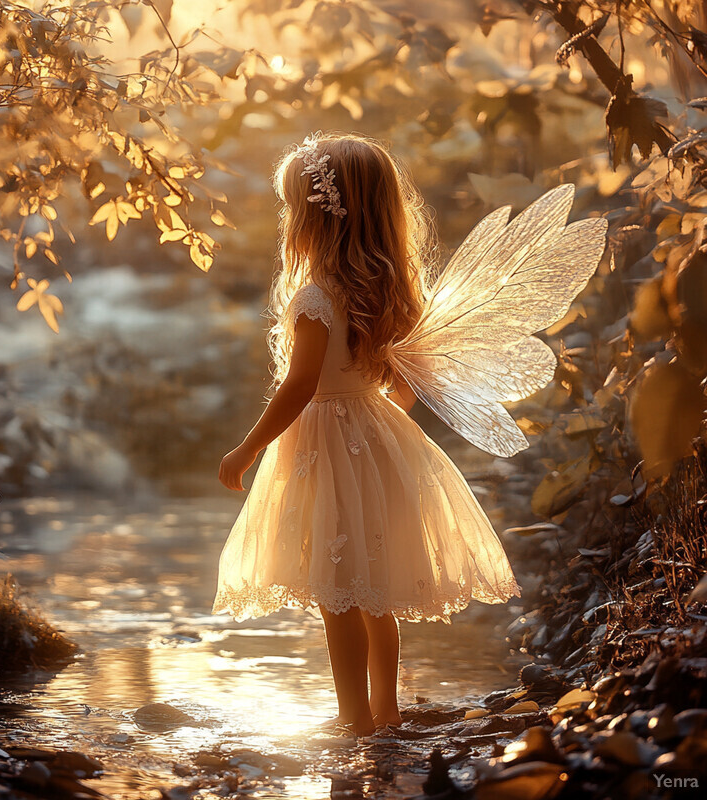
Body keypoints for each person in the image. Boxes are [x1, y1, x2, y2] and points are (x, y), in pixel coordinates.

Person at [213, 132, 606, 737]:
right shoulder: (389, 292)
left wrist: (248, 446)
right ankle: (387, 711)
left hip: (322, 439)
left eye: (294, 208)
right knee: (373, 590)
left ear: (316, 217)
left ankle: (353, 718)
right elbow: (404, 378)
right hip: (376, 435)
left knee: (336, 592)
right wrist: (378, 415)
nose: (289, 219)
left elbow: (299, 386)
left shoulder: (315, 297)